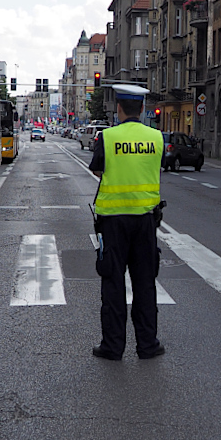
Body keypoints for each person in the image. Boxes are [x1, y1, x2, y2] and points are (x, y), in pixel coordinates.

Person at [88, 84, 164, 361]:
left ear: (118, 108)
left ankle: (112, 347)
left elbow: (97, 169)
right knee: (145, 284)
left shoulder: (107, 137)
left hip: (113, 222)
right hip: (145, 221)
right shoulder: (156, 137)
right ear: (142, 109)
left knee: (113, 283)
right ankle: (147, 345)